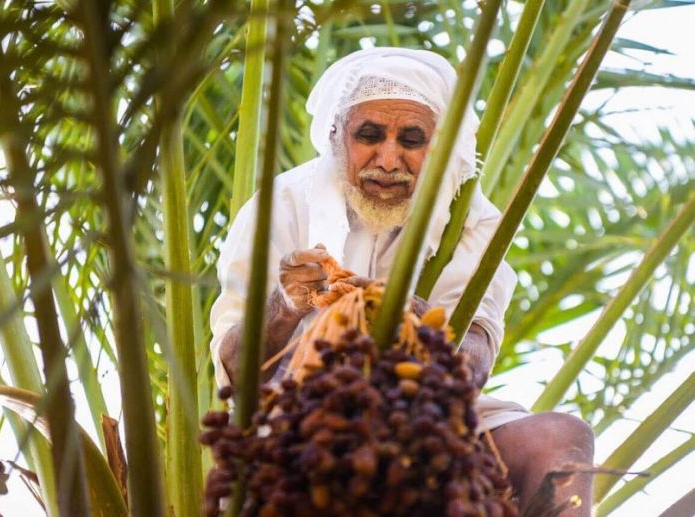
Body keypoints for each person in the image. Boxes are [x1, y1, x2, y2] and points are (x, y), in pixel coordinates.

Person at [209, 47, 594, 514]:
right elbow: (236, 370)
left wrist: (427, 338)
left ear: (438, 145)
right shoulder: (282, 205)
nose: (389, 160)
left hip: (430, 421)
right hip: (298, 423)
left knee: (560, 439)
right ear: (336, 138)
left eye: (411, 139)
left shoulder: (469, 222)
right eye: (369, 135)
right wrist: (285, 306)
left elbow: (475, 356)